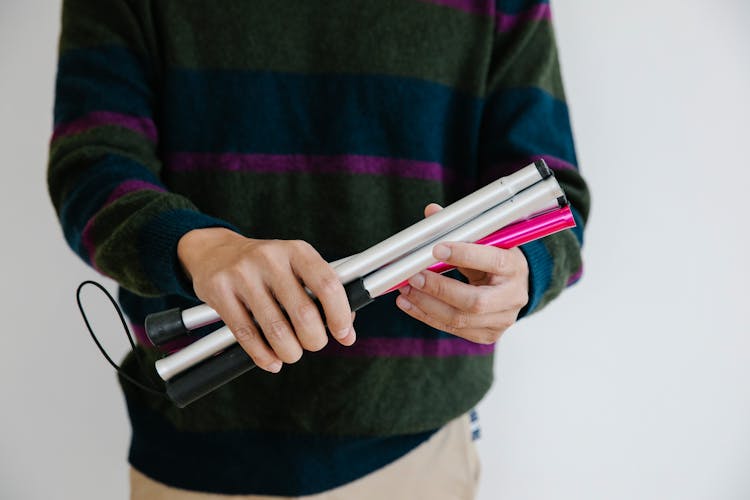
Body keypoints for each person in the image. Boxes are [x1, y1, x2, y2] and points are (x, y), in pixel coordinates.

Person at [48, 0, 590, 498]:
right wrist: (197, 246)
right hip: (194, 445)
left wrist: (524, 270)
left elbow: (551, 193)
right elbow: (91, 162)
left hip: (417, 447)